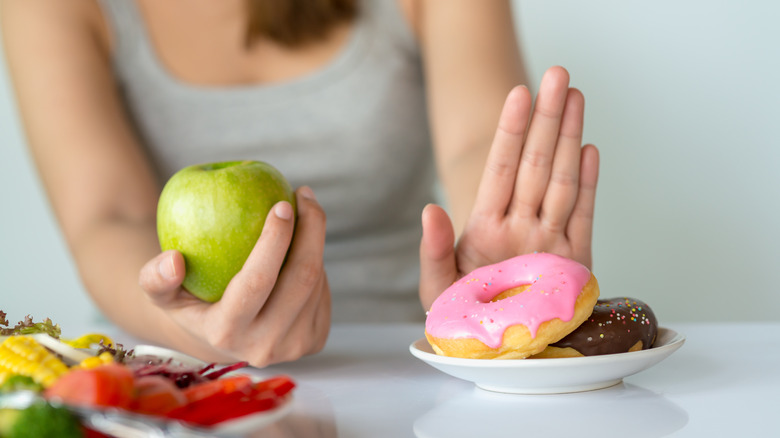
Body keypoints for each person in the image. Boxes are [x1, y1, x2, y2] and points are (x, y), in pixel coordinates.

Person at [1, 0, 599, 367]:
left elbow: (477, 144)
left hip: (404, 364)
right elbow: (107, 215)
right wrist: (193, 330)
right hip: (173, 370)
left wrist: (492, 269)